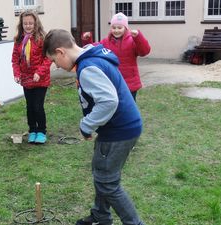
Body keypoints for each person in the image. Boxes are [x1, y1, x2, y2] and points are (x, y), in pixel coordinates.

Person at [43, 29, 145, 225]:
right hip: (118, 129)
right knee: (101, 172)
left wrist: (86, 125)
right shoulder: (92, 55)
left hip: (119, 131)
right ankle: (100, 216)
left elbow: (108, 102)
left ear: (61, 52)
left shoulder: (88, 67)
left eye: (54, 61)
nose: (56, 66)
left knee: (108, 183)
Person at [82, 12, 151, 101]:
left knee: (129, 107)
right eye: (114, 28)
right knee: (115, 106)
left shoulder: (132, 41)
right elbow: (94, 50)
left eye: (119, 27)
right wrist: (87, 40)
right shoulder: (106, 42)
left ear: (125, 28)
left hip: (130, 83)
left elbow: (144, 51)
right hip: (112, 81)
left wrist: (138, 37)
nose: (116, 30)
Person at [11, 11, 51, 144]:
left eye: (30, 23)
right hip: (26, 80)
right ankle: (32, 130)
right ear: (21, 25)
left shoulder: (41, 38)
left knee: (38, 106)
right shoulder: (18, 40)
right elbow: (15, 59)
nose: (28, 26)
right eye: (25, 23)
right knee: (30, 106)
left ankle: (42, 131)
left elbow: (48, 58)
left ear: (36, 24)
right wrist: (17, 74)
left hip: (40, 79)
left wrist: (39, 72)